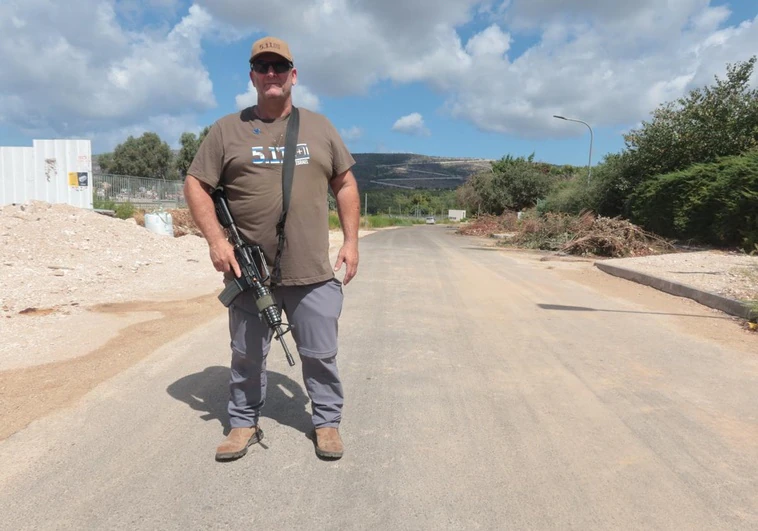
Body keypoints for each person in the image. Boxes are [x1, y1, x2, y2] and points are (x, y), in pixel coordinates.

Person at [184, 36, 360, 461]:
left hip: (312, 270)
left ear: (293, 75)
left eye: (278, 67)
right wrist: (216, 241)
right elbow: (195, 184)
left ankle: (327, 422)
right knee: (246, 355)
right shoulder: (228, 129)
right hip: (248, 271)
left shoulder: (319, 127)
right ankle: (243, 422)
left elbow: (346, 183)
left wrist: (352, 241)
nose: (271, 74)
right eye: (262, 67)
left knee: (320, 354)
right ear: (252, 77)